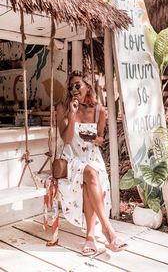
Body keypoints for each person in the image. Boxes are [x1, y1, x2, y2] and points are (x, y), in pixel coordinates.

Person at [56, 71, 127, 256]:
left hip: (92, 158)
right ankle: (108, 231)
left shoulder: (99, 110)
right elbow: (66, 139)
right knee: (88, 173)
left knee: (90, 175)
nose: (74, 90)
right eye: (71, 87)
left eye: (77, 85)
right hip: (72, 158)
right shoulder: (62, 108)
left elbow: (101, 139)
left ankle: (90, 237)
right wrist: (72, 114)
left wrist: (96, 139)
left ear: (87, 86)